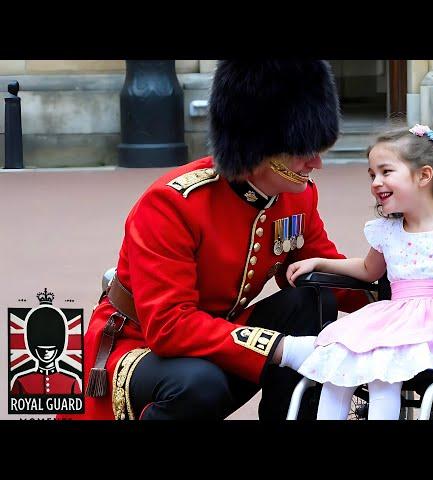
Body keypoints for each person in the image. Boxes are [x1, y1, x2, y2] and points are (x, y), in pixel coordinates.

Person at [66, 60, 367, 420]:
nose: (316, 163)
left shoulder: (296, 198)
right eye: (303, 151)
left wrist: (409, 293)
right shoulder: (173, 203)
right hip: (137, 347)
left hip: (213, 342)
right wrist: (280, 348)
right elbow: (169, 326)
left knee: (310, 300)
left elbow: (328, 273)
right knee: (198, 384)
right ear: (258, 147)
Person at [286, 124, 433, 420]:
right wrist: (320, 262)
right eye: (372, 174)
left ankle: (296, 350)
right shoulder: (387, 231)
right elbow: (366, 269)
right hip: (399, 316)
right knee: (340, 369)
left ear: (424, 176)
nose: (376, 182)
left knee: (382, 370)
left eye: (386, 172)